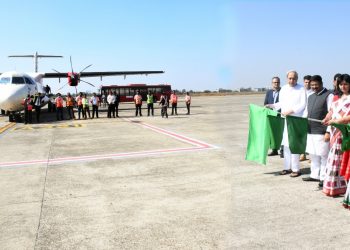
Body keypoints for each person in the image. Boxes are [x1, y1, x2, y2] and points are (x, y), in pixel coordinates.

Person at [268, 70, 307, 177]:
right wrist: (272, 105)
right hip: (285, 120)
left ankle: (296, 169)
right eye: (290, 78)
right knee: (286, 145)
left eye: (294, 78)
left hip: (295, 120)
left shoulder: (301, 89)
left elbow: (303, 104)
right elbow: (282, 103)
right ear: (287, 78)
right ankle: (287, 167)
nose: (292, 80)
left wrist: (291, 111)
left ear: (297, 79)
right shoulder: (284, 89)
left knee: (293, 144)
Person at [322, 74, 350, 197]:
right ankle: (334, 187)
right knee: (334, 160)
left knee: (344, 160)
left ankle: (345, 187)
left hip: (346, 134)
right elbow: (331, 113)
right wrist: (326, 119)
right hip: (334, 133)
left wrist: (338, 121)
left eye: (346, 84)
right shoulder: (337, 99)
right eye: (341, 84)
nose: (343, 86)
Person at [302, 75, 333, 187]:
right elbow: (306, 113)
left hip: (322, 132)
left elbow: (331, 115)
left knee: (323, 155)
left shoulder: (329, 95)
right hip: (310, 131)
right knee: (313, 154)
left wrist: (328, 132)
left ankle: (324, 178)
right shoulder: (310, 96)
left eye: (316, 85)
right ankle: (314, 175)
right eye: (312, 85)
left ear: (321, 83)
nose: (314, 87)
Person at [264, 76, 281, 156]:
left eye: (277, 82)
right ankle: (274, 150)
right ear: (272, 83)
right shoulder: (269, 92)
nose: (276, 84)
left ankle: (283, 151)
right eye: (274, 82)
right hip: (271, 116)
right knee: (273, 133)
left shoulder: (283, 91)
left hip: (280, 116)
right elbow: (265, 103)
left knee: (281, 133)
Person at [300, 75, 313, 161]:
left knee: (310, 137)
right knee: (302, 136)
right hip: (301, 116)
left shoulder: (314, 92)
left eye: (309, 82)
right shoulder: (300, 91)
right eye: (305, 82)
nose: (307, 84)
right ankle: (302, 153)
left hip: (311, 118)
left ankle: (312, 157)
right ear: (303, 82)